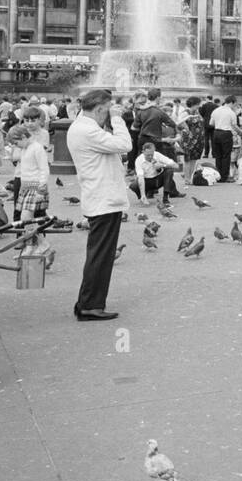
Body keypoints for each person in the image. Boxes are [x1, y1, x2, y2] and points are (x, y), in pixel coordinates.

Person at [67, 89, 131, 321]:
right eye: (108, 109)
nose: (109, 114)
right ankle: (90, 305)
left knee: (99, 254)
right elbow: (125, 144)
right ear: (100, 109)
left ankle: (86, 302)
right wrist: (118, 118)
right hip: (104, 199)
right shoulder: (88, 130)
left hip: (100, 197)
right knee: (101, 256)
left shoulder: (82, 126)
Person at [7, 123, 50, 222]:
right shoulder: (24, 149)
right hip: (26, 185)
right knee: (34, 219)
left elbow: (44, 169)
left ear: (23, 137)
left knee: (26, 218)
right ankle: (34, 236)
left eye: (16, 143)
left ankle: (31, 236)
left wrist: (41, 189)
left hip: (36, 186)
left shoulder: (37, 148)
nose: (16, 146)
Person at [130, 141, 180, 205]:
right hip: (147, 181)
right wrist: (143, 195)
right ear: (143, 152)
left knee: (169, 171)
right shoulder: (139, 160)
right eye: (148, 155)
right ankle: (143, 197)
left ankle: (165, 198)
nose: (150, 156)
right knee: (133, 185)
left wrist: (162, 165)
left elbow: (176, 165)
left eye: (152, 154)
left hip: (158, 180)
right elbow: (140, 178)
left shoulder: (157, 155)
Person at [209, 96, 239, 182]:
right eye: (235, 104)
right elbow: (234, 125)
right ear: (232, 102)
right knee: (226, 155)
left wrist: (219, 124)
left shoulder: (216, 110)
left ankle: (218, 175)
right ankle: (224, 176)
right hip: (226, 133)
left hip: (216, 133)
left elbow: (211, 123)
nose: (235, 106)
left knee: (218, 155)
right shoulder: (231, 113)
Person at [178, 97, 206, 164]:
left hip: (198, 140)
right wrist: (186, 128)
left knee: (194, 160)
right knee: (188, 161)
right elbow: (179, 122)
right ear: (193, 104)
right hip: (189, 140)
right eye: (198, 104)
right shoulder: (186, 112)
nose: (199, 106)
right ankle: (187, 174)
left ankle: (191, 174)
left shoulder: (196, 112)